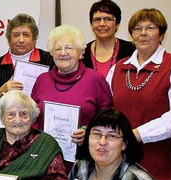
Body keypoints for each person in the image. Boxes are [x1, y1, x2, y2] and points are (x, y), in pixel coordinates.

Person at [107, 8, 171, 180]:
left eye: (150, 28)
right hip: (120, 162)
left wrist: (136, 134)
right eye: (137, 29)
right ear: (131, 35)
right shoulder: (119, 68)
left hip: (159, 163)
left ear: (161, 34)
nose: (143, 33)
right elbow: (105, 107)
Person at [30, 25, 113, 167]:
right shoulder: (42, 80)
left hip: (85, 160)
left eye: (69, 48)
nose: (63, 53)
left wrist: (90, 132)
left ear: (81, 52)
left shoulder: (95, 79)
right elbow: (33, 118)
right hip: (46, 159)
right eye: (57, 49)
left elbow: (110, 119)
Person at [0, 13, 54, 99]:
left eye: (26, 35)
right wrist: (0, 91)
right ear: (8, 39)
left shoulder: (50, 61)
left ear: (34, 38)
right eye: (16, 35)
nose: (21, 40)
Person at [82, 0, 135, 77]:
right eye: (97, 20)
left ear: (117, 24)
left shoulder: (132, 51)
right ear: (91, 25)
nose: (102, 24)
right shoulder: (82, 53)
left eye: (108, 19)